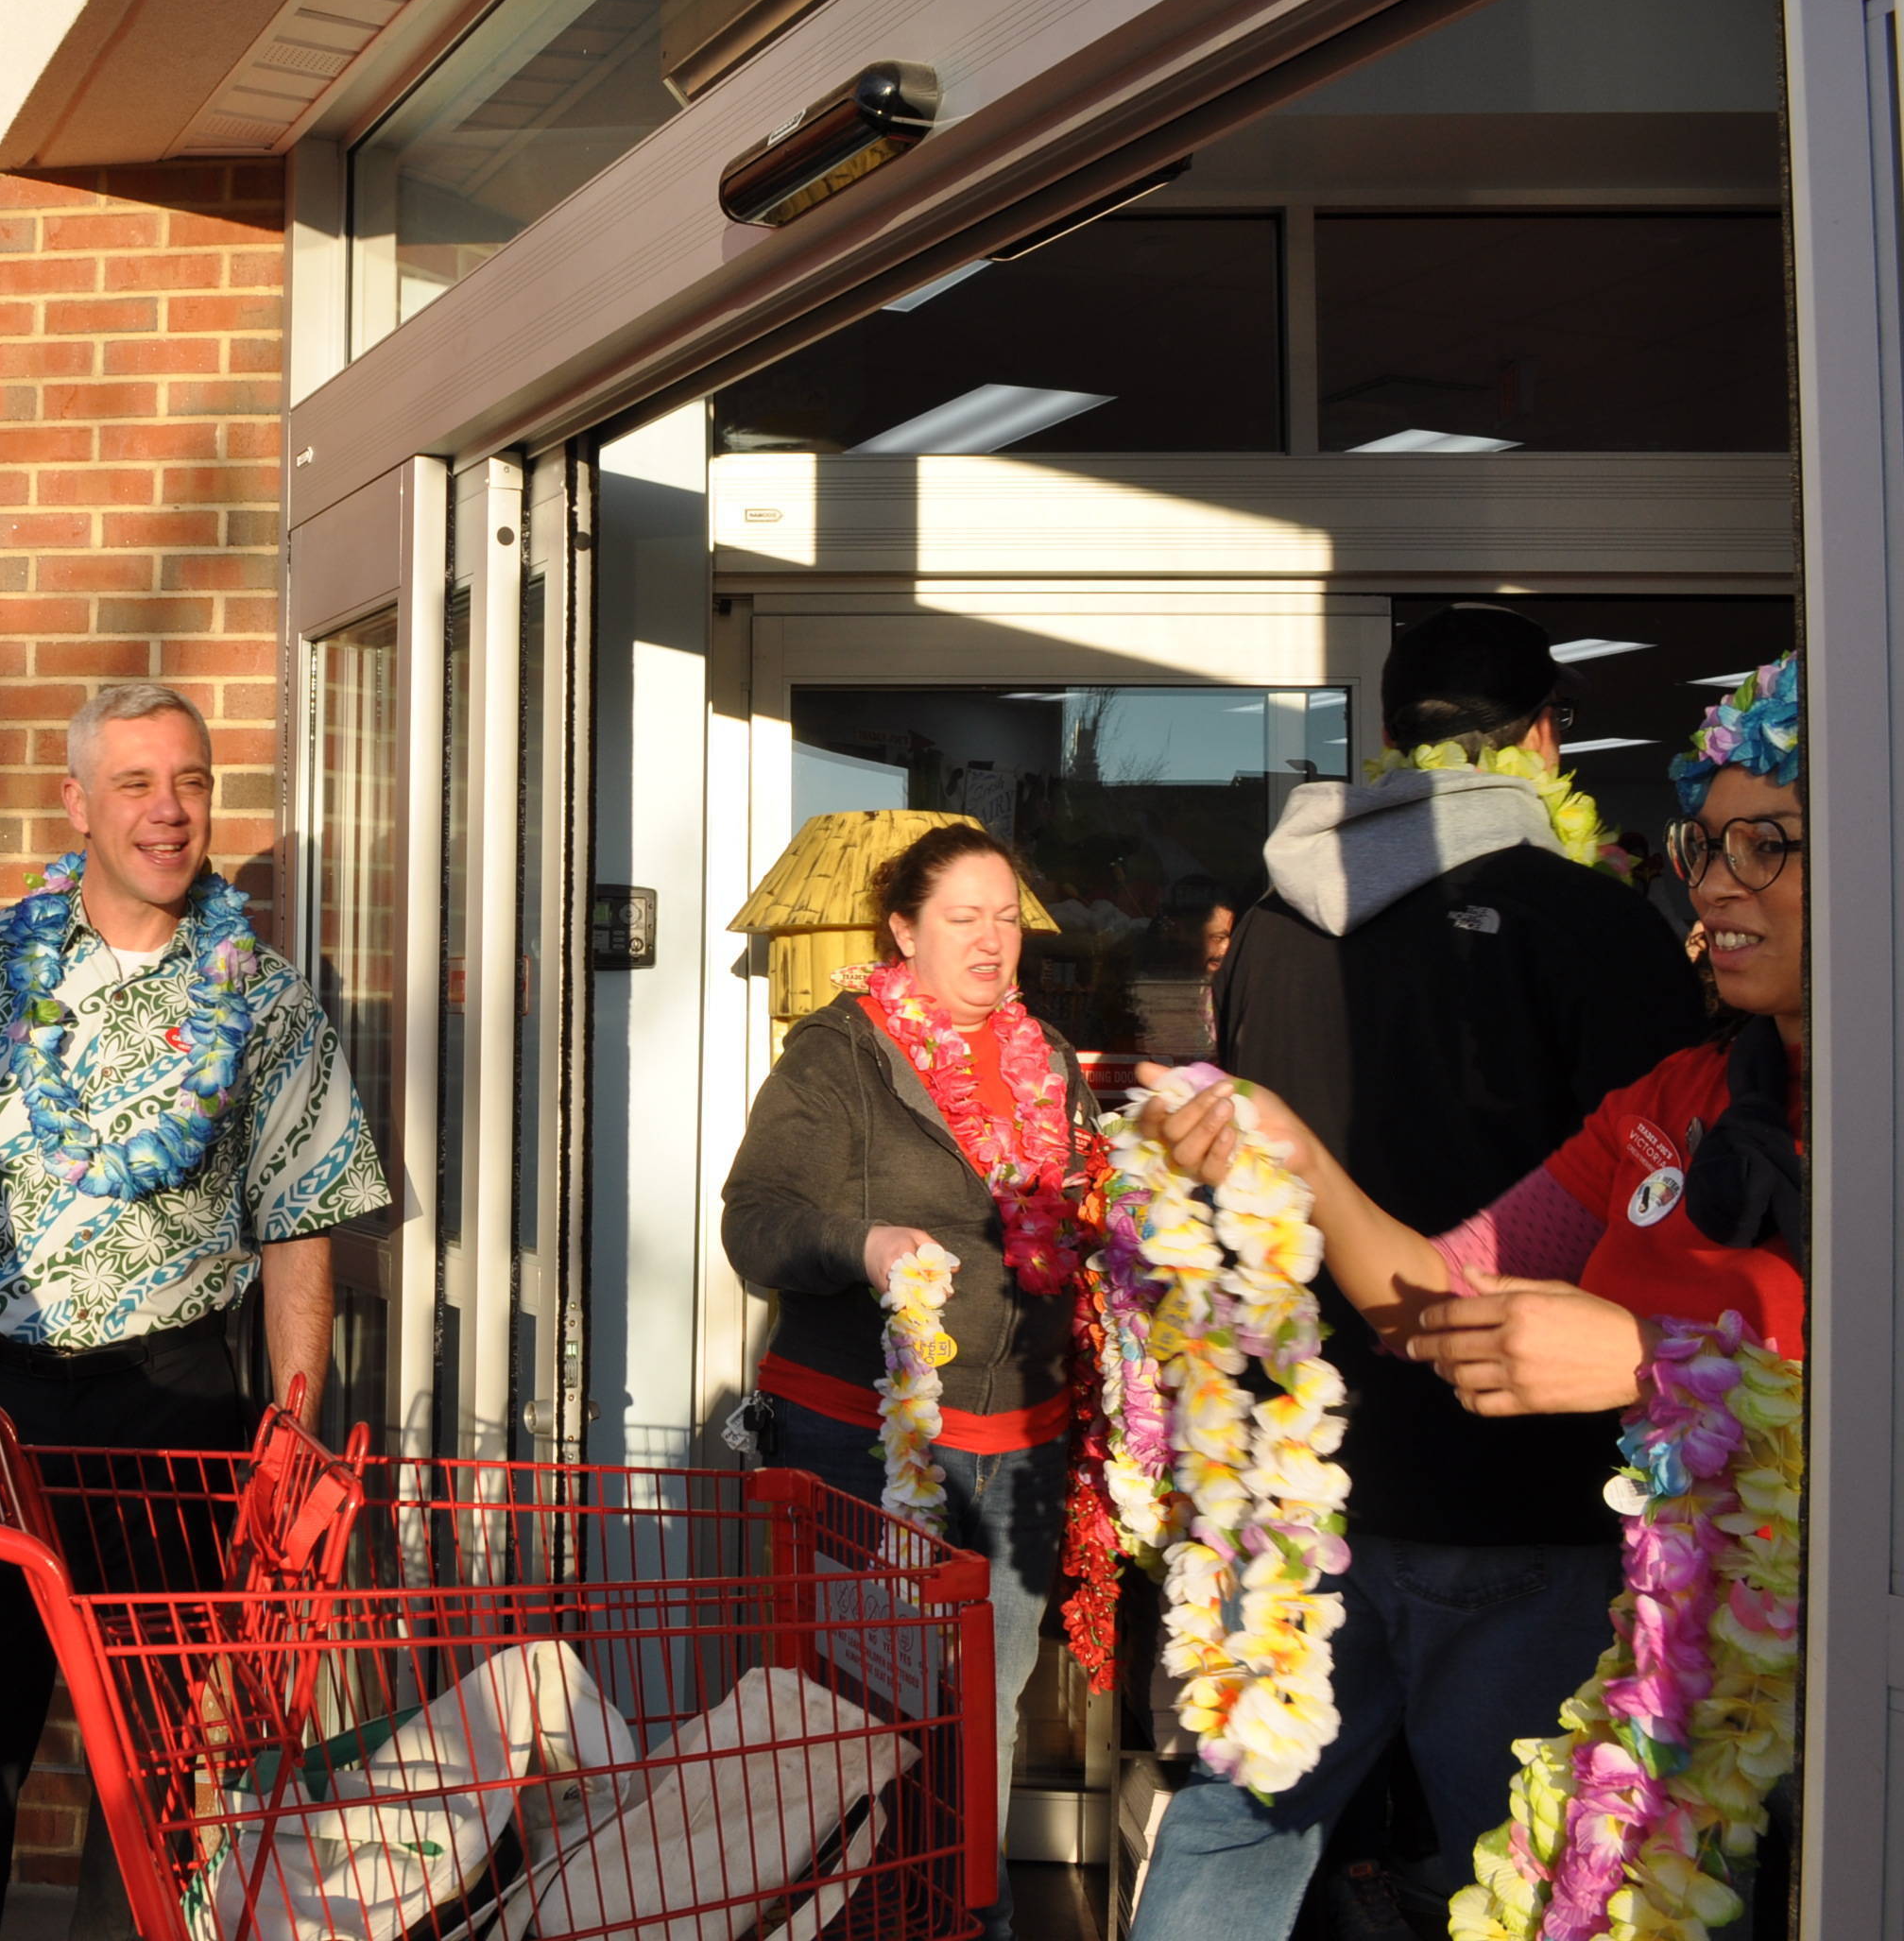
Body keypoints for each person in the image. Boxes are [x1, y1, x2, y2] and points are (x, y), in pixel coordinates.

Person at [1138, 652, 1806, 1906]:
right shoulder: (1680, 1096)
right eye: (1706, 846)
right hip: (1664, 1657)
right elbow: (1439, 1295)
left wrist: (1651, 1363)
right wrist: (1294, 1152)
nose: (1715, 884)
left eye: (1766, 845)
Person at [0, 679, 390, 1941]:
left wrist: (292, 1440)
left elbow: (299, 1226)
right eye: (136, 783)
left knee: (154, 1773)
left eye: (191, 781)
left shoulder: (265, 996)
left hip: (177, 1410)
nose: (168, 811)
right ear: (78, 803)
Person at [719, 822, 1096, 1941]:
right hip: (864, 1440)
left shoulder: (1048, 1055)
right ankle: (860, 1918)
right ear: (902, 930)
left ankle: (960, 1915)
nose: (991, 941)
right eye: (961, 918)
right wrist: (864, 1243)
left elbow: (1072, 1219)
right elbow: (755, 1222)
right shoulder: (839, 1052)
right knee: (859, 1715)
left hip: (1022, 1441)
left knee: (983, 1707)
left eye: (1006, 918)